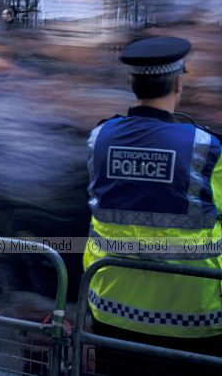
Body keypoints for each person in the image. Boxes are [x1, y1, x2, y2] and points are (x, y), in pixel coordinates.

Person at [84, 36, 222, 373]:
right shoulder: (205, 147)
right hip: (191, 313)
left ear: (132, 83)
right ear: (179, 83)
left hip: (112, 305)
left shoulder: (99, 137)